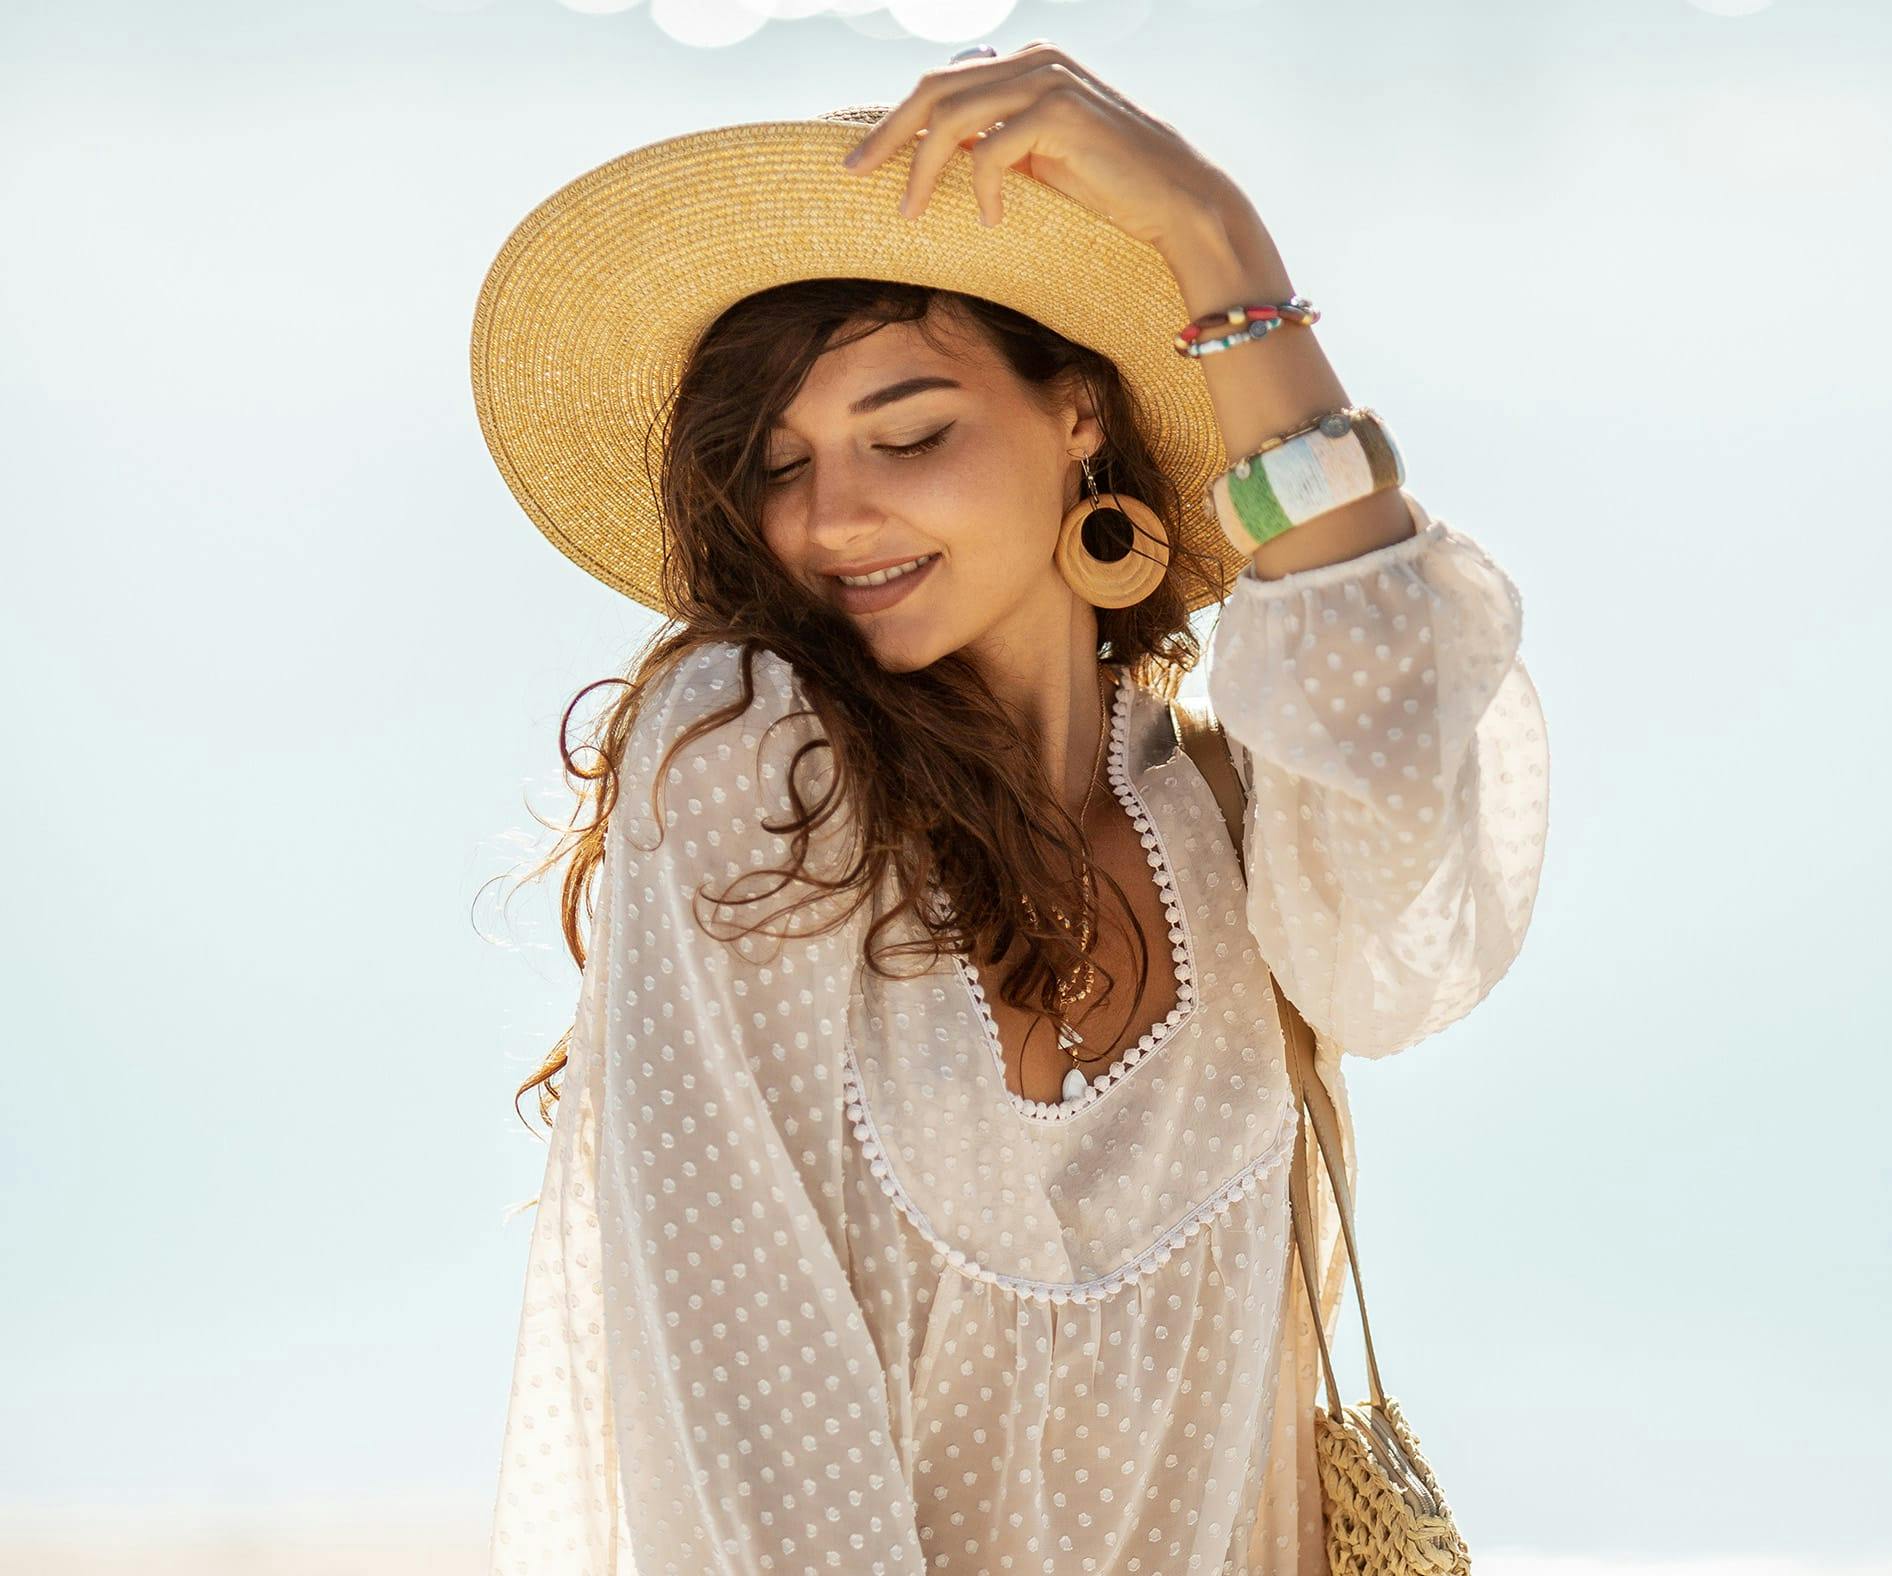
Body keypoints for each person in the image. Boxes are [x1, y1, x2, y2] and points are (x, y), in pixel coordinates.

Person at [472, 40, 1549, 1576]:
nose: (837, 517)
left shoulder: (1234, 813)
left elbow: (1391, 776)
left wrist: (1217, 241)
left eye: (912, 435)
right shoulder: (754, 765)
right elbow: (750, 1394)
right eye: (778, 468)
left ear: (1079, 419)